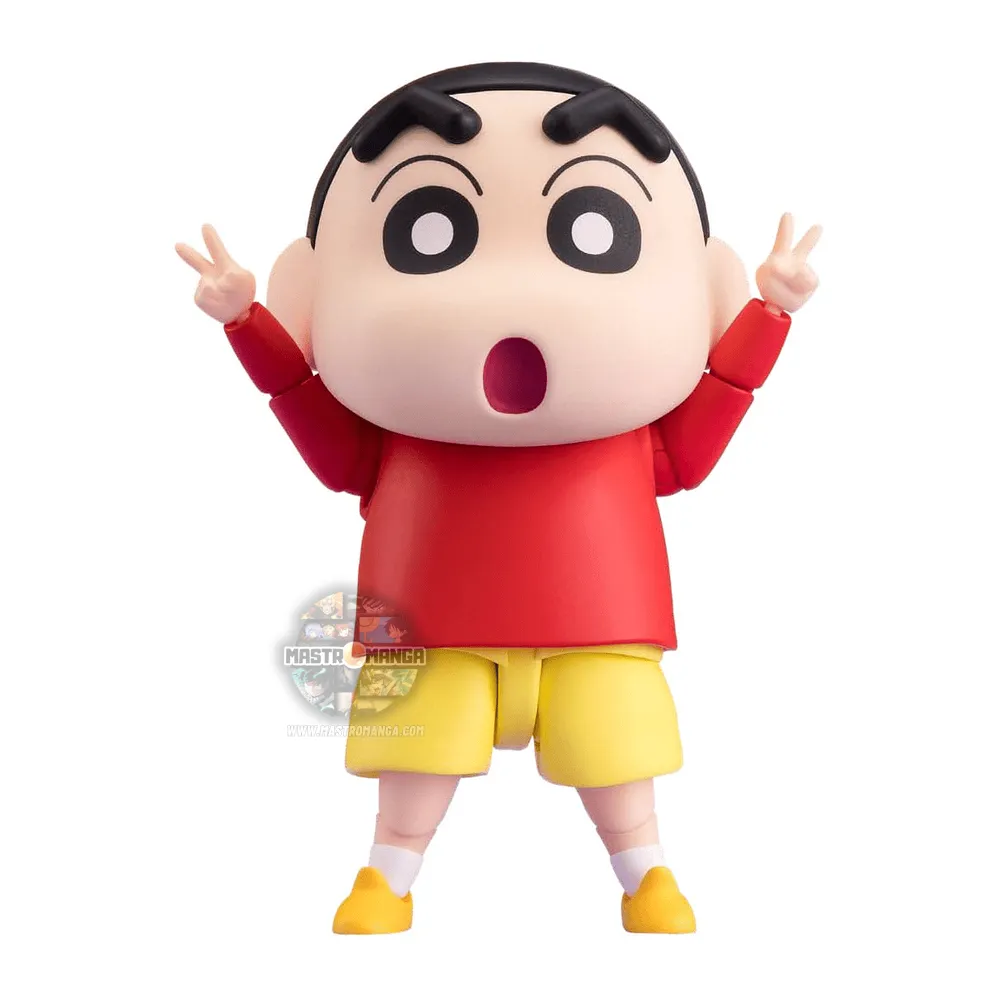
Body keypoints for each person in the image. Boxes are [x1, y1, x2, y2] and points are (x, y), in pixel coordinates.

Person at [177, 62, 821, 935]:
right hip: (429, 629)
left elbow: (716, 408)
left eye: (597, 232)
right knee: (418, 749)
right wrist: (247, 323)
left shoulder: (633, 437)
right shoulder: (395, 440)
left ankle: (647, 875)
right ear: (313, 289)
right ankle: (387, 877)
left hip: (601, 627)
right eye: (424, 232)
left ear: (706, 288)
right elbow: (304, 408)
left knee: (615, 750)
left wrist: (769, 315)